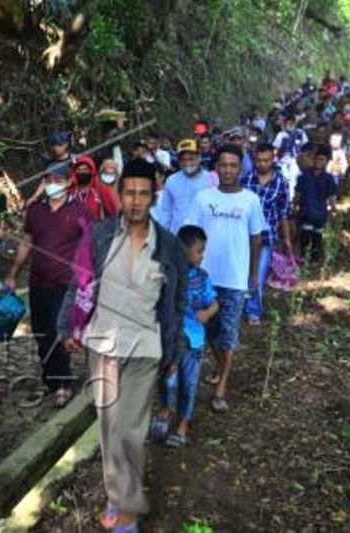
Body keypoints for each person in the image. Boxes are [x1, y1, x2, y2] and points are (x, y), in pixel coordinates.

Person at [57, 159, 188, 533]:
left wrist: (174, 350)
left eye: (143, 193)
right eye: (129, 192)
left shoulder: (170, 246)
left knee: (131, 430)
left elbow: (176, 303)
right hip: (102, 343)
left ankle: (128, 513)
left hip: (145, 347)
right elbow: (78, 284)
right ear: (119, 193)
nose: (135, 201)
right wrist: (67, 325)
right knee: (110, 426)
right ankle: (117, 494)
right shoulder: (99, 236)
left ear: (154, 195)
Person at [185, 144, 267, 413]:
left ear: (241, 167)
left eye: (233, 165)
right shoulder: (202, 198)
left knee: (228, 333)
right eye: (223, 165)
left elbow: (256, 239)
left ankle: (222, 387)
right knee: (208, 329)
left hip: (234, 278)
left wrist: (253, 274)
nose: (228, 170)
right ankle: (221, 368)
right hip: (204, 279)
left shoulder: (250, 201)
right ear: (216, 167)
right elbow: (189, 234)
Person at [6, 162, 91, 407]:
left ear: (68, 181)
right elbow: (26, 242)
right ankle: (48, 379)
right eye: (48, 179)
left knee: (58, 330)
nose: (52, 184)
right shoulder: (35, 211)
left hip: (65, 282)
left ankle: (63, 383)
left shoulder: (80, 210)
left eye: (57, 179)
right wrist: (13, 273)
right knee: (41, 332)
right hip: (38, 281)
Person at [149, 225, 218, 448]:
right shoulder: (165, 273)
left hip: (193, 342)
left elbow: (214, 303)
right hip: (169, 340)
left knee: (189, 384)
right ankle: (165, 411)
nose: (202, 256)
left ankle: (183, 425)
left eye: (203, 251)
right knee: (167, 379)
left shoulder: (201, 277)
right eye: (199, 251)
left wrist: (207, 313)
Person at [240, 144, 292, 326]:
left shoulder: (281, 183)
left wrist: (286, 239)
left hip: (265, 238)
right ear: (254, 160)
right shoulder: (245, 181)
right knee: (241, 273)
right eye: (259, 160)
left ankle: (254, 311)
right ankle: (239, 307)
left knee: (258, 275)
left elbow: (284, 213)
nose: (262, 164)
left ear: (273, 159)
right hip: (243, 236)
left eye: (266, 160)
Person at [153, 138, 213, 234]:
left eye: (191, 159)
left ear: (199, 158)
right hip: (177, 236)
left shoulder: (212, 179)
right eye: (183, 160)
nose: (187, 163)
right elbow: (166, 212)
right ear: (179, 161)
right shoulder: (171, 181)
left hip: (205, 235)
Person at [295, 144, 338, 263]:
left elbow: (332, 196)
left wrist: (334, 210)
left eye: (322, 159)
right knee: (305, 234)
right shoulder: (304, 176)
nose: (318, 162)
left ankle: (314, 259)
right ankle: (303, 257)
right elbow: (297, 194)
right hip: (306, 211)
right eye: (316, 158)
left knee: (317, 236)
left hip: (320, 213)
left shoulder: (328, 179)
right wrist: (294, 206)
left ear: (327, 162)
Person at [68, 155, 119, 221]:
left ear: (91, 171)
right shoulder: (70, 192)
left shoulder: (101, 190)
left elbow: (113, 212)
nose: (82, 172)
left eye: (85, 169)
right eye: (79, 170)